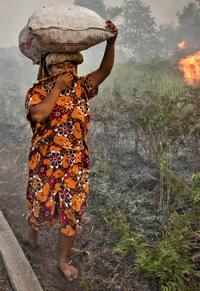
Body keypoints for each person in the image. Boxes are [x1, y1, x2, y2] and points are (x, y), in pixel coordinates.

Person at [24, 20, 118, 281]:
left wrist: (111, 41)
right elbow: (39, 114)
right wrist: (56, 89)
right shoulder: (38, 91)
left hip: (75, 163)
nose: (67, 69)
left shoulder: (82, 88)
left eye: (72, 65)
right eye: (60, 65)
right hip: (44, 163)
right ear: (48, 66)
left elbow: (105, 70)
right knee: (40, 205)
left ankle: (63, 261)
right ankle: (32, 230)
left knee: (72, 212)